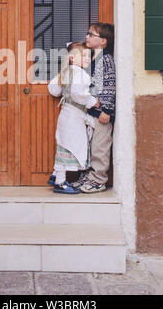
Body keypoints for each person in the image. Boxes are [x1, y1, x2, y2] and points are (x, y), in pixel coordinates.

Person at [47, 41, 100, 194]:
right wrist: (92, 101)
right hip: (74, 117)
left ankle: (56, 174)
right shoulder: (81, 74)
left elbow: (53, 90)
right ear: (72, 58)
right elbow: (78, 94)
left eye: (88, 56)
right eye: (83, 56)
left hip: (66, 115)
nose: (87, 59)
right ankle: (60, 182)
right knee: (72, 146)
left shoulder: (67, 72)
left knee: (64, 145)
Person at [72, 22, 116, 193]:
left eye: (91, 34)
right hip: (91, 111)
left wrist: (107, 110)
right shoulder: (91, 58)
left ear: (103, 41)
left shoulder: (105, 59)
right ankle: (88, 175)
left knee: (100, 146)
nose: (87, 37)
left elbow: (110, 86)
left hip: (102, 113)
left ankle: (99, 179)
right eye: (87, 33)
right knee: (89, 145)